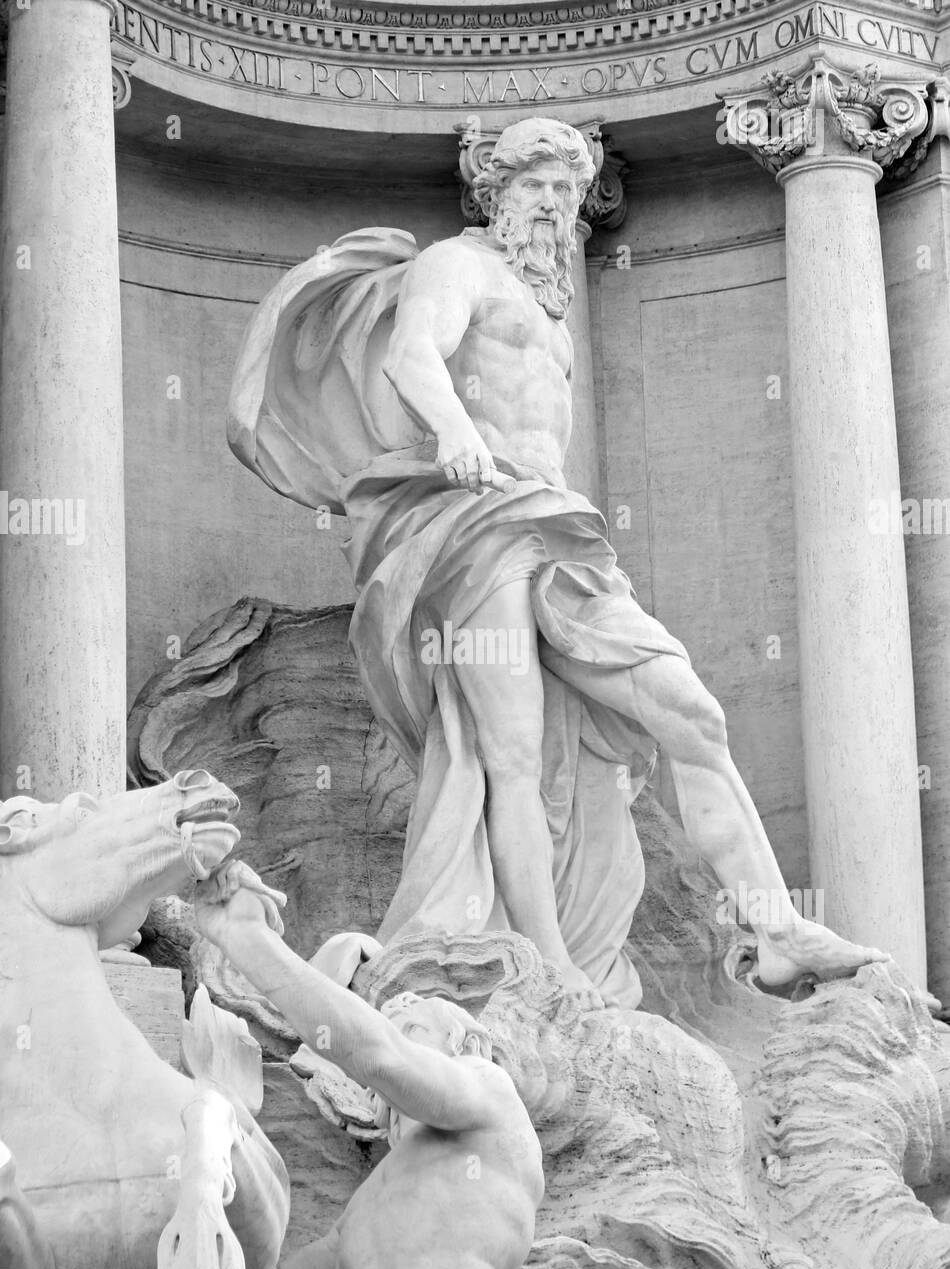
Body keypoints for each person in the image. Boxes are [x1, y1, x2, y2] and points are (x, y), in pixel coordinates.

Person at [228, 116, 887, 1006]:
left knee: (690, 710)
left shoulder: (552, 310)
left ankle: (772, 925)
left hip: (560, 534)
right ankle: (549, 973)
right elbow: (413, 353)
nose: (552, 204)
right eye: (535, 185)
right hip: (477, 526)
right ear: (497, 193)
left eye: (566, 191)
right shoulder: (456, 267)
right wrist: (455, 429)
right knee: (513, 757)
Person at [192, 860, 544, 1269]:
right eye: (392, 1032)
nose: (396, 1042)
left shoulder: (490, 1094)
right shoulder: (362, 1210)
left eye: (413, 1032)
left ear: (465, 1044)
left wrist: (246, 938)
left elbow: (377, 1055)